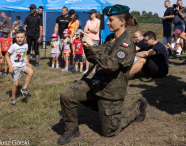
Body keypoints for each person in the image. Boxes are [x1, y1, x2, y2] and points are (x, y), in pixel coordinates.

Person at [58, 4, 147, 145]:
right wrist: (88, 47)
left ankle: (138, 107)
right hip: (97, 83)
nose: (107, 22)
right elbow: (95, 59)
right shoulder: (110, 38)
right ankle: (71, 129)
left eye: (111, 20)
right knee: (67, 95)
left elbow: (110, 66)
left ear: (122, 21)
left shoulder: (127, 44)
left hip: (111, 91)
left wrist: (92, 45)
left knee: (109, 132)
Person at [5, 29, 34, 106]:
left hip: (22, 65)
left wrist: (27, 62)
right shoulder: (13, 46)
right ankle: (13, 97)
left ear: (25, 37)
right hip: (14, 67)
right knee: (16, 84)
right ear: (15, 37)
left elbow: (24, 54)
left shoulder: (26, 45)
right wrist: (10, 66)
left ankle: (24, 88)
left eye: (21, 37)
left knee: (31, 72)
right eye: (17, 37)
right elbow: (7, 55)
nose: (19, 39)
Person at [24, 4, 43, 69]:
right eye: (30, 8)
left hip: (36, 35)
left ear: (35, 9)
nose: (31, 10)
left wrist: (40, 37)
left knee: (36, 49)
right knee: (28, 49)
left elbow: (41, 27)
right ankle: (27, 63)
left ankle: (36, 63)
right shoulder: (28, 17)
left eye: (32, 8)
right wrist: (24, 37)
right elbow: (25, 27)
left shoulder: (38, 17)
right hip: (29, 35)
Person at [83, 9, 101, 74]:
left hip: (95, 39)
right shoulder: (88, 21)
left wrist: (89, 29)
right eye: (90, 14)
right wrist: (91, 30)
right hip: (88, 38)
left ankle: (94, 69)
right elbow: (84, 30)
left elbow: (96, 30)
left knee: (94, 54)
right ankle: (87, 69)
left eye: (92, 13)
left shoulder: (98, 21)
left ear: (95, 14)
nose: (90, 15)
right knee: (87, 53)